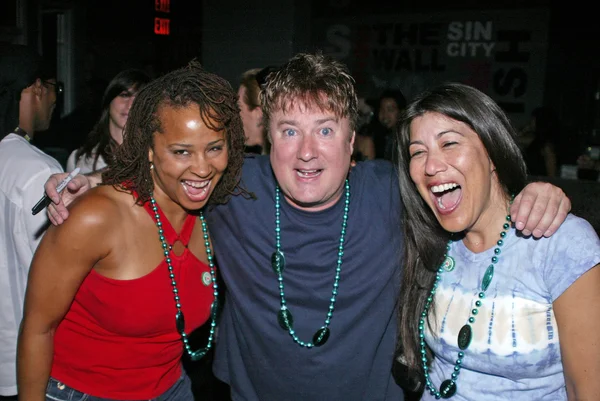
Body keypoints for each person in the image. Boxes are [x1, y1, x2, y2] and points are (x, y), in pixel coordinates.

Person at [41, 53, 571, 401]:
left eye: (325, 129)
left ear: (351, 141)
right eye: (289, 130)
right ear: (266, 138)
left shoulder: (393, 189)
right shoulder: (232, 188)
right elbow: (173, 169)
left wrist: (533, 193)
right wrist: (97, 181)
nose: (308, 152)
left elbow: (468, 189)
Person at [17, 61, 246, 400]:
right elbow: (38, 328)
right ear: (150, 150)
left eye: (214, 148)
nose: (202, 168)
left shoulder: (216, 211)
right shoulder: (96, 217)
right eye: (181, 151)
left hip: (172, 388)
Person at [395, 83, 600, 400]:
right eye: (418, 152)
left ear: (492, 153)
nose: (431, 166)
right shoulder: (428, 241)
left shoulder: (560, 243)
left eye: (449, 143)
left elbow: (586, 390)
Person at [0, 43, 63, 401]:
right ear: (36, 88)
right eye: (53, 88)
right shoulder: (39, 170)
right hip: (26, 363)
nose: (55, 99)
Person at [65, 68, 151, 174]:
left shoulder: (156, 156)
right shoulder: (79, 159)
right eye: (124, 95)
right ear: (109, 101)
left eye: (140, 98)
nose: (131, 105)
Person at [521, 106, 560, 178]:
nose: (531, 121)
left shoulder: (547, 146)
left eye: (533, 119)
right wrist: (525, 129)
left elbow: (552, 175)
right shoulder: (535, 141)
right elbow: (515, 139)